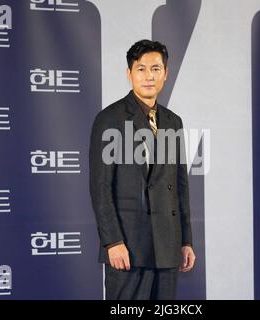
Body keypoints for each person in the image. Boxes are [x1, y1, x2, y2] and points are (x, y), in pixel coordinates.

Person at [89, 39, 195, 300]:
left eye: (156, 69)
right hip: (128, 248)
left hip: (167, 245)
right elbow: (100, 188)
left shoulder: (173, 121)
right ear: (129, 74)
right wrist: (112, 242)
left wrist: (185, 240)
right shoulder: (110, 119)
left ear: (165, 74)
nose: (149, 76)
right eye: (141, 69)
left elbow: (179, 185)